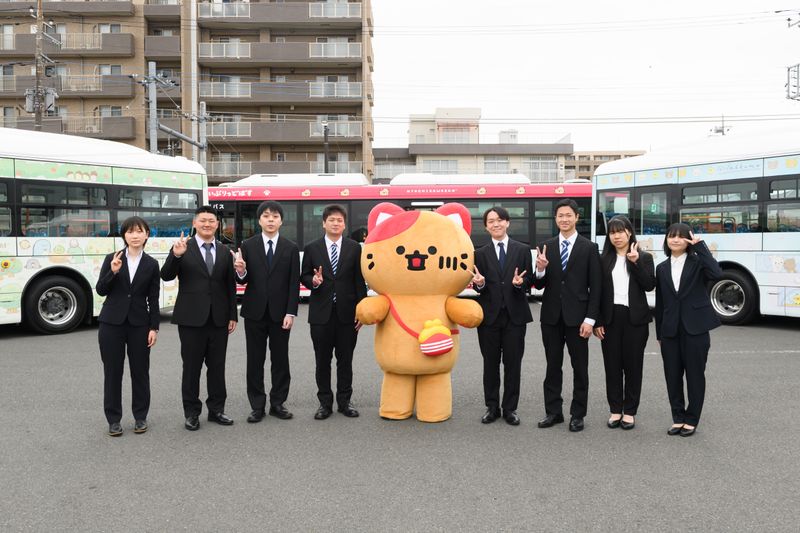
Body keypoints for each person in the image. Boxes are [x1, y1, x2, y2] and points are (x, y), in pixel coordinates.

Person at [160, 206, 238, 431]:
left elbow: (229, 285)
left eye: (211, 221)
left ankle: (217, 410)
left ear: (217, 224)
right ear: (194, 223)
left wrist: (232, 315)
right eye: (202, 220)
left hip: (219, 319)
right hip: (191, 319)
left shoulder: (224, 251)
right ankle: (192, 413)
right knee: (191, 368)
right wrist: (176, 255)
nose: (207, 224)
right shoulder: (183, 247)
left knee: (217, 367)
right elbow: (166, 275)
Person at [533, 198, 602, 432]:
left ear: (576, 217)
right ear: (555, 219)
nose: (564, 219)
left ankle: (578, 414)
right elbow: (538, 285)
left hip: (579, 319)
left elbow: (596, 287)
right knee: (552, 366)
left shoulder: (589, 247)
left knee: (580, 368)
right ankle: (553, 412)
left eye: (568, 215)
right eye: (560, 215)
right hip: (551, 317)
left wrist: (590, 319)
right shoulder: (546, 246)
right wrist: (540, 269)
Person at [232, 200, 300, 423]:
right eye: (266, 216)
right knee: (255, 360)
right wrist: (241, 271)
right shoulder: (248, 245)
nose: (271, 220)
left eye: (275, 216)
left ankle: (278, 403)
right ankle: (257, 406)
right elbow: (243, 280)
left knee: (281, 360)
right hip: (255, 312)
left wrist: (291, 312)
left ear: (281, 221)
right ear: (259, 220)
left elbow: (293, 283)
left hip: (281, 315)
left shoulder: (290, 248)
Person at [300, 204, 367, 420]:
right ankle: (325, 403)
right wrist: (314, 281)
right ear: (324, 223)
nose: (336, 223)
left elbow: (359, 281)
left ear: (344, 225)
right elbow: (304, 275)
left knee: (345, 360)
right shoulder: (312, 248)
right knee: (322, 361)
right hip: (321, 315)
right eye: (332, 220)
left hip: (348, 315)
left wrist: (362, 311)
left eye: (339, 220)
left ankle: (345, 402)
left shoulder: (354, 248)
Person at [655, 223, 722, 437]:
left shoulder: (698, 262)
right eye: (671, 236)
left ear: (688, 240)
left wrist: (700, 247)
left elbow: (717, 273)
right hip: (670, 331)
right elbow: (660, 303)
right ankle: (678, 418)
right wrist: (659, 333)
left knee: (695, 376)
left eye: (680, 236)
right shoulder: (661, 268)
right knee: (672, 376)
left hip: (696, 328)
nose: (675, 240)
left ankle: (692, 419)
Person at [96, 216, 160, 437]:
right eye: (130, 231)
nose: (135, 235)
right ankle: (113, 420)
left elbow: (153, 298)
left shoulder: (152, 264)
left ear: (147, 235)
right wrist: (113, 272)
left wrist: (154, 327)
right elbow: (101, 290)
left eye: (139, 231)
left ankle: (140, 416)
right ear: (124, 235)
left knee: (140, 372)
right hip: (111, 323)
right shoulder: (112, 258)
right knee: (112, 373)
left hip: (139, 324)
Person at [471, 206, 533, 426]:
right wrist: (480, 284)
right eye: (490, 221)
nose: (495, 224)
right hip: (489, 318)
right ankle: (492, 407)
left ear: (507, 222)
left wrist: (520, 283)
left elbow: (528, 280)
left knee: (513, 364)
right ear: (486, 227)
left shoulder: (522, 250)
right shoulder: (479, 253)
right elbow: (478, 285)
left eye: (499, 220)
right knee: (490, 364)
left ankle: (510, 409)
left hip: (515, 317)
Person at [593, 216, 655, 430]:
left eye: (620, 231)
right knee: (612, 366)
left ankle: (629, 411)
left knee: (633, 366)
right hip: (610, 319)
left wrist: (635, 262)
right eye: (612, 232)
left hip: (635, 319)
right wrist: (597, 321)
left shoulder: (644, 257)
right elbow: (596, 292)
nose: (616, 236)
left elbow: (649, 285)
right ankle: (615, 410)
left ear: (629, 232)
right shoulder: (603, 259)